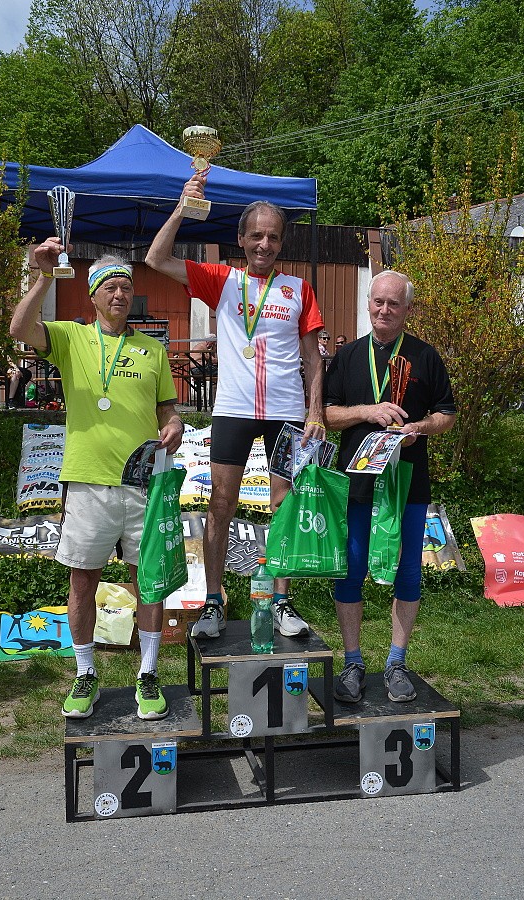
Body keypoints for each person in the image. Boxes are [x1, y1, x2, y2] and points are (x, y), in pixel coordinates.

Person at [145, 174, 326, 640]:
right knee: (221, 504)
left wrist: (315, 412)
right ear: (241, 239)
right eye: (257, 235)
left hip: (286, 410)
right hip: (233, 409)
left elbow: (313, 358)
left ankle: (281, 601)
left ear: (281, 242)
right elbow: (156, 258)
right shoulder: (222, 279)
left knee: (284, 503)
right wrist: (183, 207)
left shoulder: (299, 288)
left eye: (273, 237)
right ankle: (213, 602)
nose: (265, 244)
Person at [10, 242, 184, 720]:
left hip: (143, 484)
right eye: (110, 287)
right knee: (83, 580)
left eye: (126, 286)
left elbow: (168, 411)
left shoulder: (153, 349)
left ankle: (148, 673)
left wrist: (173, 424)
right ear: (93, 295)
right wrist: (43, 277)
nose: (120, 293)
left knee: (148, 582)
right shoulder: (71, 338)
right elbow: (19, 329)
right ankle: (85, 673)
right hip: (88, 482)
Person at [323, 270, 456, 703]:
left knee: (408, 571)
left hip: (408, 482)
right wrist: (368, 411)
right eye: (378, 301)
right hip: (357, 481)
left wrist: (418, 427)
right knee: (351, 568)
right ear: (368, 303)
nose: (384, 310)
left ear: (407, 309)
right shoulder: (348, 356)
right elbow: (327, 415)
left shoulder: (425, 356)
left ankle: (396, 663)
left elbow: (447, 415)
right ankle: (353, 662)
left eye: (393, 303)